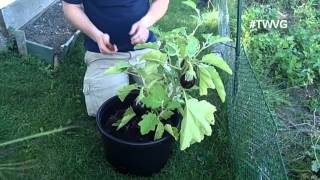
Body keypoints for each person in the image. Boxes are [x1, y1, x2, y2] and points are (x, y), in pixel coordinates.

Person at [62, 0, 169, 117]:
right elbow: (70, 7)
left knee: (165, 102)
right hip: (104, 54)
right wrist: (97, 36)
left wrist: (145, 23)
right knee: (108, 112)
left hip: (144, 48)